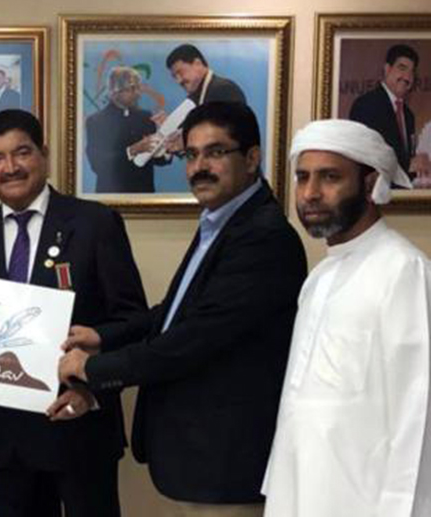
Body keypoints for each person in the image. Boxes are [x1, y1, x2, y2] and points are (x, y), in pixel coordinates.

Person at [59, 102, 306, 517]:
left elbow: (194, 338)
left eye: (215, 152)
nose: (199, 167)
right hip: (200, 460)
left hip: (227, 465)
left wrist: (93, 369)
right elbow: (177, 312)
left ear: (251, 158)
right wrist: (104, 336)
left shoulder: (262, 237)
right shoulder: (222, 221)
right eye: (191, 155)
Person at [0, 109, 148, 517]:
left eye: (21, 152)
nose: (10, 167)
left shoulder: (95, 223)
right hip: (8, 444)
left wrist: (91, 391)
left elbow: (133, 322)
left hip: (81, 430)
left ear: (44, 153)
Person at [262, 119, 431, 517]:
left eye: (330, 177)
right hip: (300, 492)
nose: (310, 193)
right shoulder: (319, 278)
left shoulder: (404, 271)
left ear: (370, 183)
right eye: (303, 177)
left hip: (363, 502)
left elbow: (418, 414)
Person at [349, 44, 425, 180]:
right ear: (387, 69)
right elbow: (364, 156)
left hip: (402, 192)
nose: (407, 77)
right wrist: (408, 165)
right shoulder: (366, 105)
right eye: (402, 68)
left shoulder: (408, 116)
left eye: (412, 72)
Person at [86, 66, 167, 193]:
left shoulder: (146, 117)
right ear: (115, 91)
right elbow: (98, 165)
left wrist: (164, 136)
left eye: (139, 88)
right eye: (132, 88)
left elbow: (160, 160)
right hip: (111, 196)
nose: (138, 93)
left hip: (144, 195)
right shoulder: (96, 121)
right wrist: (133, 150)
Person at [167, 44, 246, 106]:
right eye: (174, 77)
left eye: (180, 72)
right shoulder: (194, 99)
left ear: (197, 63)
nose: (179, 81)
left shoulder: (225, 90)